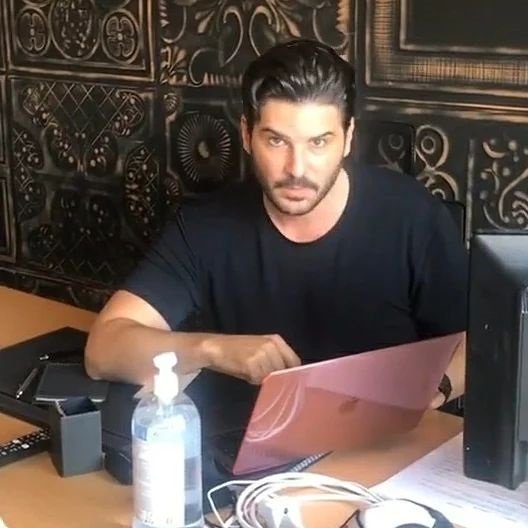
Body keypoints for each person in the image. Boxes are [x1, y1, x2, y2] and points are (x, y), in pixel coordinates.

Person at [85, 39, 467, 410]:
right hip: (251, 440)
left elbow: (476, 340)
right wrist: (213, 349)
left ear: (348, 138)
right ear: (247, 135)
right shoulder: (206, 226)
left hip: (387, 438)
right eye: (277, 141)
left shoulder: (412, 216)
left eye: (319, 142)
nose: (296, 169)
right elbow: (104, 350)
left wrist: (431, 394)